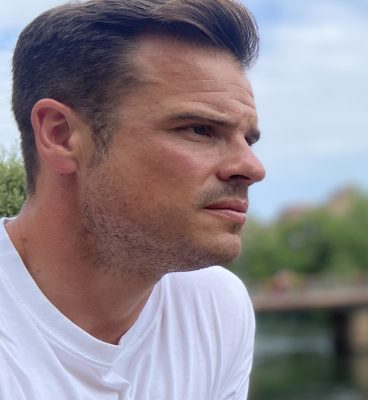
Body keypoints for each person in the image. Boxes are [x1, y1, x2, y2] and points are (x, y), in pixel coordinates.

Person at [0, 0, 265, 398]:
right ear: (61, 136)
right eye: (199, 129)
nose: (252, 168)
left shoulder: (216, 306)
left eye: (248, 139)